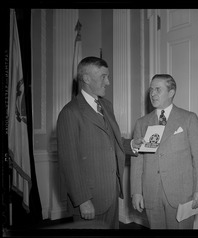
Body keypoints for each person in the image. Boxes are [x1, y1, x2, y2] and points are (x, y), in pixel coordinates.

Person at [57, 56, 143, 229]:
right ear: (86, 78)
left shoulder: (106, 105)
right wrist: (83, 200)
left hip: (110, 193)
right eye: (104, 76)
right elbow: (69, 161)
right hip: (89, 198)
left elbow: (112, 140)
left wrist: (132, 144)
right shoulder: (70, 112)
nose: (108, 82)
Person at [131, 74, 198, 229]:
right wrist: (136, 192)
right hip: (151, 193)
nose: (152, 94)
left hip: (181, 194)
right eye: (151, 90)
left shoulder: (188, 118)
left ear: (171, 92)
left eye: (158, 89)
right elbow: (137, 161)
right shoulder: (142, 123)